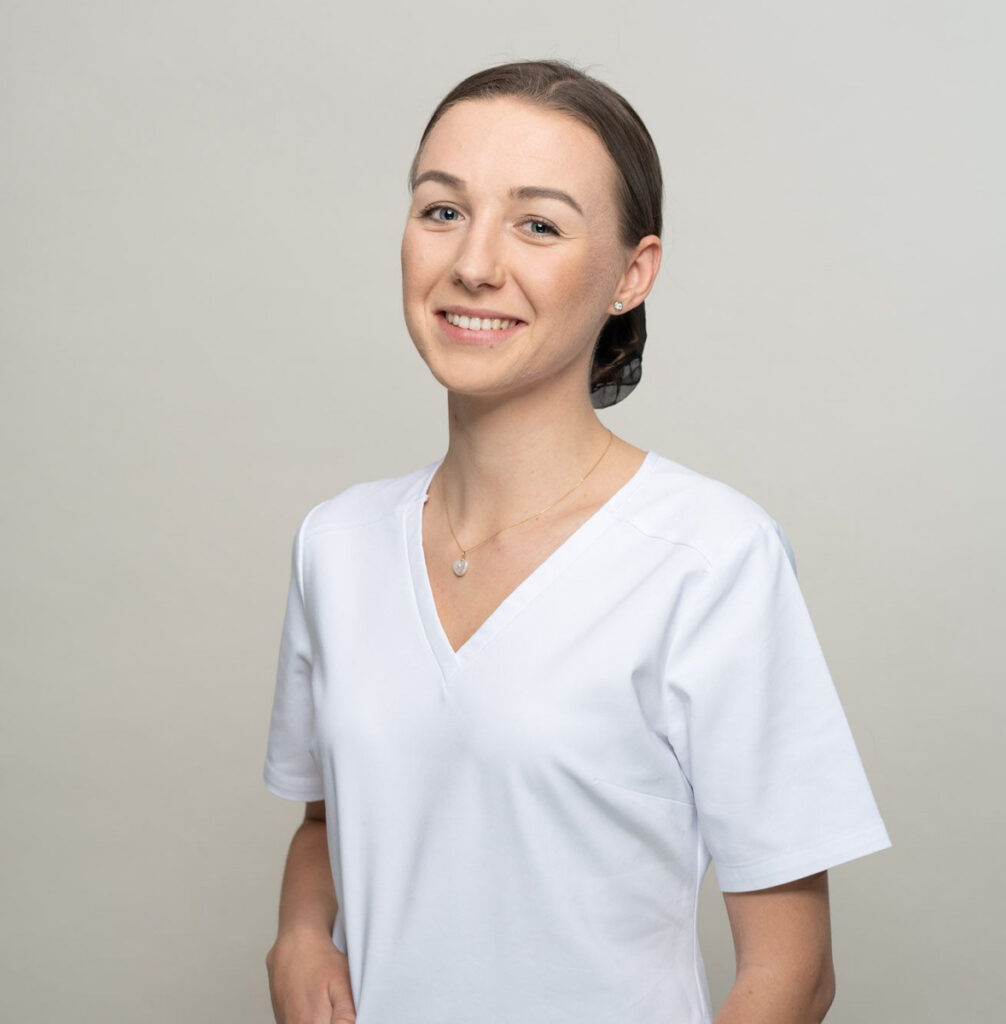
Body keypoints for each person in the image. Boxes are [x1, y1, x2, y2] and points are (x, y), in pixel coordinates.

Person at [262, 59, 891, 1024]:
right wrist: (303, 935)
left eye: (539, 225)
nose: (474, 264)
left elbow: (794, 975)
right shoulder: (335, 546)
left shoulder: (710, 559)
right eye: (442, 210)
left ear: (632, 274)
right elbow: (326, 818)